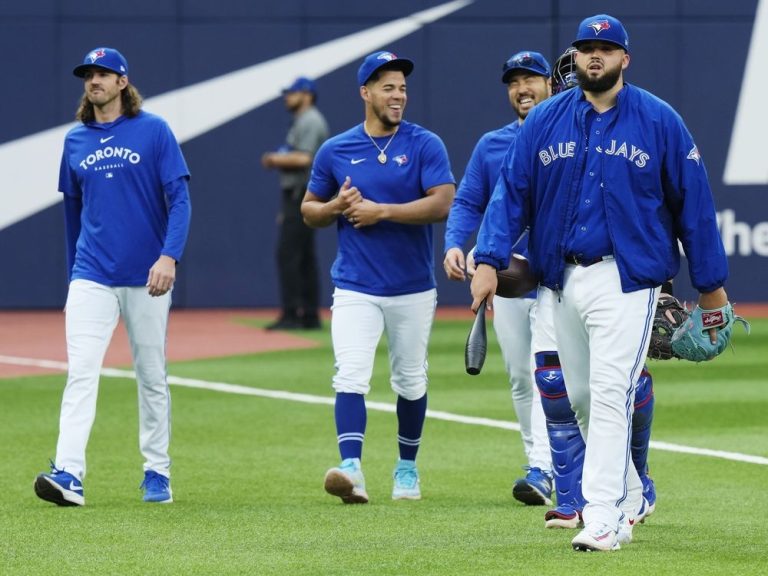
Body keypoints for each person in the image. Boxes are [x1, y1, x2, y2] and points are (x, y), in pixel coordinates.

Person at [471, 14, 731, 552]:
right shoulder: (545, 120)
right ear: (577, 56)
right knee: (584, 396)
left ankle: (602, 516)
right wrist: (488, 259)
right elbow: (511, 193)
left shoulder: (659, 121)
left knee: (611, 393)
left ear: (624, 59)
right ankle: (632, 494)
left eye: (606, 49)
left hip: (628, 280)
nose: (596, 56)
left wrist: (712, 287)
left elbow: (695, 206)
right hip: (561, 279)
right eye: (587, 47)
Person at [34, 47, 192, 506]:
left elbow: (179, 200)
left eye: (103, 74)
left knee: (151, 373)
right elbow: (72, 212)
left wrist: (170, 257)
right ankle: (69, 474)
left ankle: (157, 471)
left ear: (123, 82)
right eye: (88, 74)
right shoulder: (75, 140)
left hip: (148, 275)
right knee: (80, 372)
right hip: (91, 275)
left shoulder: (154, 130)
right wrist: (73, 276)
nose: (93, 81)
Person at [301, 50, 455, 504]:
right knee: (349, 374)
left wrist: (381, 210)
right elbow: (309, 210)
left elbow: (443, 202)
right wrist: (335, 208)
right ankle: (351, 469)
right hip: (355, 285)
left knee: (410, 380)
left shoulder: (425, 144)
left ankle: (406, 469)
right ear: (365, 93)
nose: (398, 96)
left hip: (411, 286)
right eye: (388, 87)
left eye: (402, 88)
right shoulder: (336, 149)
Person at [443, 50, 554, 506]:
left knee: (553, 371)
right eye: (514, 81)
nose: (522, 88)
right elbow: (468, 201)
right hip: (508, 279)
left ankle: (557, 465)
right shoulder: (492, 144)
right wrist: (454, 241)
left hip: (558, 278)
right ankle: (539, 465)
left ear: (551, 84)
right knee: (518, 375)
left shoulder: (570, 134)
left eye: (531, 79)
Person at [262, 77, 329, 330]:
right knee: (303, 256)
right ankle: (309, 315)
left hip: (303, 194)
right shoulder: (303, 120)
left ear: (307, 95)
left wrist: (273, 159)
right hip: (296, 194)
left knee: (289, 254)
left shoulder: (311, 119)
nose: (287, 97)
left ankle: (293, 314)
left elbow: (303, 158)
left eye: (292, 93)